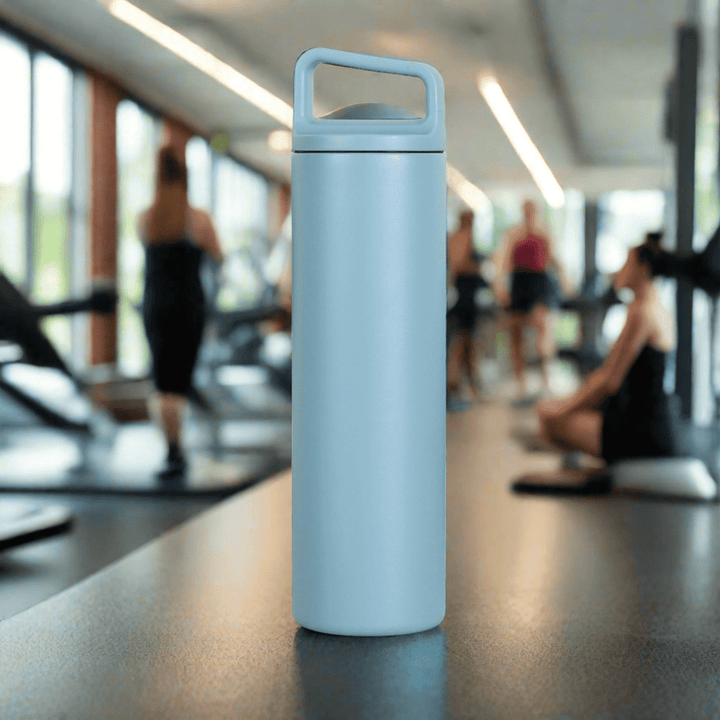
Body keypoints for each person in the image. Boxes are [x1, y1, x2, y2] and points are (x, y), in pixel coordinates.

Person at [535, 233, 676, 465]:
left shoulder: (640, 314)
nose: (619, 270)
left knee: (550, 424)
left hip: (641, 432)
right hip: (650, 423)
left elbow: (609, 380)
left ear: (643, 268)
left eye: (626, 263)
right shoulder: (656, 307)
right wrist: (563, 405)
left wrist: (560, 410)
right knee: (562, 413)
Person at [138, 145, 224, 477]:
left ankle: (172, 449)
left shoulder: (146, 218)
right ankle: (176, 448)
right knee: (179, 382)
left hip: (156, 306)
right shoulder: (199, 219)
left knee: (163, 382)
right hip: (188, 306)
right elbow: (219, 259)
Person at [494, 200, 570, 403]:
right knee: (516, 335)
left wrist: (565, 279)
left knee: (542, 330)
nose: (529, 213)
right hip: (520, 282)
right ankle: (521, 385)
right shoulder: (514, 234)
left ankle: (546, 381)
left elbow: (554, 258)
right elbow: (503, 260)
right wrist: (499, 284)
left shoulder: (543, 232)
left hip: (539, 283)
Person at [447, 210, 485, 406]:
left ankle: (470, 388)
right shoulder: (461, 237)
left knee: (468, 344)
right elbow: (457, 265)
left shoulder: (463, 237)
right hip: (463, 297)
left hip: (468, 297)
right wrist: (475, 268)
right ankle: (454, 386)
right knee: (460, 343)